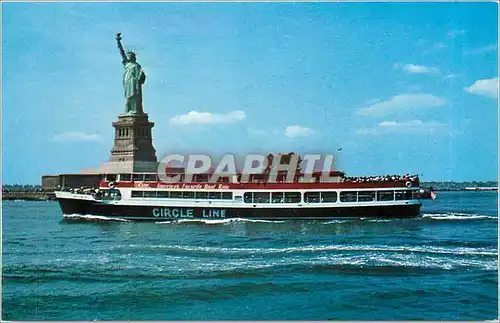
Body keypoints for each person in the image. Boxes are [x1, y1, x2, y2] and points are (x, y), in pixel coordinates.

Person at [116, 33, 146, 114]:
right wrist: (118, 42)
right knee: (128, 97)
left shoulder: (137, 65)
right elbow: (122, 53)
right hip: (128, 82)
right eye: (128, 55)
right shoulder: (126, 63)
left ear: (133, 57)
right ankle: (128, 110)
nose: (128, 56)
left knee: (135, 97)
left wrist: (141, 76)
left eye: (130, 55)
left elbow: (142, 76)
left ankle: (135, 110)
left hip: (135, 83)